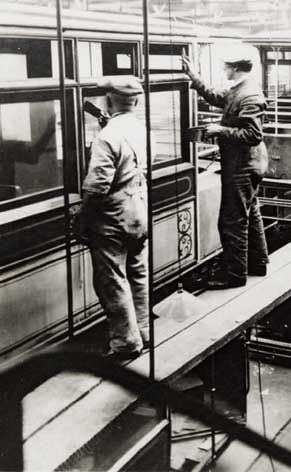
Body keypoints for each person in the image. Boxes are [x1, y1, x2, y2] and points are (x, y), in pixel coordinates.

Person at [181, 46, 269, 289]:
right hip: (248, 164)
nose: (223, 70)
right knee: (250, 213)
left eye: (226, 66)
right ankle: (258, 263)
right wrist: (194, 78)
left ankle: (234, 275)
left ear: (236, 68)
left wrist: (220, 130)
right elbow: (217, 97)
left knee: (232, 220)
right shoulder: (240, 90)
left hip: (243, 166)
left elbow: (253, 134)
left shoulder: (249, 95)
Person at [79, 76, 151, 361]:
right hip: (138, 209)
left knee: (112, 279)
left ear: (109, 99)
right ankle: (143, 331)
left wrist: (82, 219)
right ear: (135, 100)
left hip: (113, 215)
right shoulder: (142, 129)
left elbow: (97, 187)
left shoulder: (107, 137)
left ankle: (125, 343)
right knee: (137, 272)